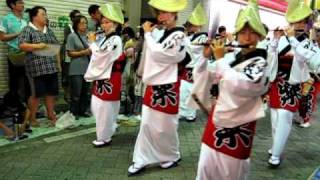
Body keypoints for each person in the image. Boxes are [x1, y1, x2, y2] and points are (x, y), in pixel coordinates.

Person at [190, 0, 269, 179]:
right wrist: (204, 58)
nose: (247, 37)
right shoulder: (232, 57)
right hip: (216, 123)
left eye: (252, 32)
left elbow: (243, 85)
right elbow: (203, 76)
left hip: (238, 127)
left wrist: (219, 60)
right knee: (205, 170)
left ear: (260, 36)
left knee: (231, 174)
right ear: (237, 35)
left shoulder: (261, 63)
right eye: (243, 32)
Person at [127, 0, 188, 176]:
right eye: (159, 13)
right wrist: (149, 35)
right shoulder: (163, 33)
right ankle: (141, 158)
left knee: (166, 126)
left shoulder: (179, 35)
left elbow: (161, 54)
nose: (161, 17)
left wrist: (147, 35)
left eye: (165, 13)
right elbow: (154, 50)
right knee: (147, 123)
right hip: (155, 85)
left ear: (175, 14)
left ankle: (170, 155)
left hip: (168, 87)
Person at [267, 0, 320, 167]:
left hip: (292, 87)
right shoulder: (282, 38)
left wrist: (292, 40)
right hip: (277, 83)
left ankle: (275, 155)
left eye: (302, 22)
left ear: (307, 25)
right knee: (275, 119)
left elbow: (311, 60)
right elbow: (270, 59)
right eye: (295, 21)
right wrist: (274, 41)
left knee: (284, 118)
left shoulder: (309, 44)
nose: (298, 24)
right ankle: (277, 146)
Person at [84, 3, 125, 147]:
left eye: (107, 22)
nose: (104, 25)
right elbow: (99, 56)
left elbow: (103, 56)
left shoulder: (116, 39)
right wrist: (94, 44)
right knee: (98, 107)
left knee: (105, 108)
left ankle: (104, 136)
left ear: (116, 24)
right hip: (102, 78)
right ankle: (108, 130)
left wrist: (93, 44)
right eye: (103, 22)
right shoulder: (106, 39)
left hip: (110, 78)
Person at [18, 6, 60, 127]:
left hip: (51, 67)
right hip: (36, 69)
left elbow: (56, 47)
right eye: (43, 14)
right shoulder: (28, 29)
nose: (45, 16)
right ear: (34, 16)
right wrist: (37, 46)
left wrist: (58, 64)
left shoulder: (49, 30)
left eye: (46, 14)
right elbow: (21, 45)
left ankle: (50, 114)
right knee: (36, 95)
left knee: (51, 93)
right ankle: (32, 118)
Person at [179, 3, 208, 122]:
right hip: (187, 68)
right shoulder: (190, 37)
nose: (189, 27)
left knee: (193, 92)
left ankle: (191, 114)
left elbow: (193, 49)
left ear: (198, 25)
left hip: (196, 69)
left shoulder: (203, 37)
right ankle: (182, 112)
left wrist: (184, 40)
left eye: (192, 25)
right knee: (183, 90)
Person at [1, 0, 29, 103]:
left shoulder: (26, 18)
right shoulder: (6, 19)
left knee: (28, 83)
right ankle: (17, 109)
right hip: (15, 56)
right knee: (15, 84)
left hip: (28, 55)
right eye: (20, 2)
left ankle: (29, 109)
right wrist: (18, 33)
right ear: (12, 5)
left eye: (23, 2)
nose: (23, 5)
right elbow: (2, 37)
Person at [66, 15, 91, 119]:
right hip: (76, 68)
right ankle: (74, 112)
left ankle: (83, 111)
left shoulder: (89, 36)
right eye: (82, 23)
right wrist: (84, 52)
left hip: (88, 68)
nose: (84, 25)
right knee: (76, 93)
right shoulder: (72, 36)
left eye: (85, 23)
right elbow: (70, 53)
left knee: (85, 92)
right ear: (76, 24)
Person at [61, 9, 81, 104]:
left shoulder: (81, 28)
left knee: (76, 76)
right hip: (69, 55)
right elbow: (68, 41)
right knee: (67, 76)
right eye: (77, 16)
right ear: (72, 18)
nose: (79, 18)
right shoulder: (68, 27)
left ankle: (75, 95)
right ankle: (67, 95)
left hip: (79, 56)